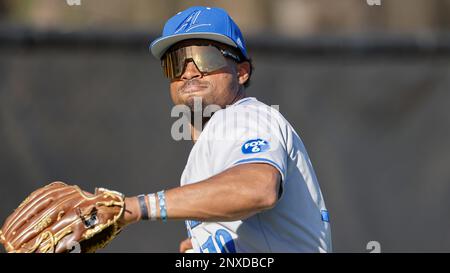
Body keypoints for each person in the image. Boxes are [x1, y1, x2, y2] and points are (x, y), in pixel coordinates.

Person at [118, 6, 332, 253]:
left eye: (205, 57)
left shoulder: (244, 115)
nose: (189, 72)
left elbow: (258, 188)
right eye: (176, 62)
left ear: (241, 72)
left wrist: (134, 207)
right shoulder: (211, 144)